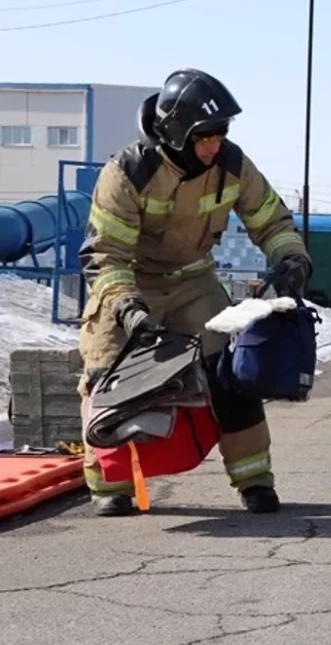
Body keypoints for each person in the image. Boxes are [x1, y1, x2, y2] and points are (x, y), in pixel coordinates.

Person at [76, 68, 312, 517]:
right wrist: (126, 308)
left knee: (231, 373)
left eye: (221, 134)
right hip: (130, 282)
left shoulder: (231, 165)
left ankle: (254, 479)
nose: (215, 144)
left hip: (194, 281)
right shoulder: (127, 173)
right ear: (177, 134)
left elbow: (272, 220)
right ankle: (111, 485)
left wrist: (292, 258)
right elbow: (105, 255)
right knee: (105, 372)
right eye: (206, 136)